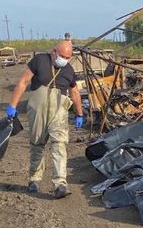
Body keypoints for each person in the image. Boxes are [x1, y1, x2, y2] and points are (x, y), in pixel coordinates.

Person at [6, 39, 84, 198]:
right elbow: (23, 82)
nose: (64, 59)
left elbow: (74, 93)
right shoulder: (39, 60)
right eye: (62, 55)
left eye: (68, 57)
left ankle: (60, 184)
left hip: (58, 112)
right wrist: (12, 104)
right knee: (37, 143)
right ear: (54, 51)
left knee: (59, 144)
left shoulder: (69, 70)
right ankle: (34, 179)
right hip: (37, 109)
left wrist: (79, 114)